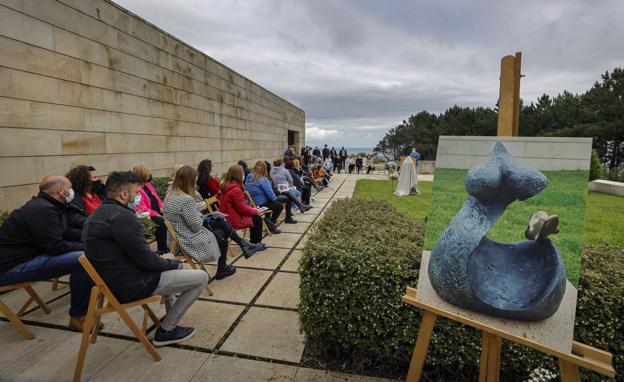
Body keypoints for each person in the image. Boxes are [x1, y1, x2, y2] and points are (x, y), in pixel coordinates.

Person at [83, 171, 207, 346]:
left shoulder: (98, 214)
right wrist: (173, 264)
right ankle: (166, 330)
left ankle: (170, 317)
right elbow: (146, 262)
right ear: (124, 194)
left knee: (168, 257)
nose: (138, 197)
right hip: (132, 284)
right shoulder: (122, 217)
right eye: (136, 193)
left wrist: (166, 260)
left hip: (114, 280)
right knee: (201, 277)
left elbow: (137, 255)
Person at [0, 175, 92, 331]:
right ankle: (78, 316)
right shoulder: (42, 209)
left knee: (85, 252)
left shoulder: (50, 205)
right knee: (82, 259)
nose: (72, 192)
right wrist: (88, 248)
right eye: (69, 188)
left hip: (28, 257)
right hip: (9, 268)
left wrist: (91, 239)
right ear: (60, 191)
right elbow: (55, 246)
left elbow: (64, 232)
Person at [164, 166, 265, 279]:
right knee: (222, 232)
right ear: (189, 182)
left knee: (220, 222)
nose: (196, 185)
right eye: (194, 182)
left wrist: (205, 216)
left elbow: (183, 219)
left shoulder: (170, 196)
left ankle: (240, 249)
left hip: (175, 239)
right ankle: (234, 255)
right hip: (186, 241)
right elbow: (196, 226)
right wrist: (203, 216)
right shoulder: (186, 200)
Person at [219, 165, 268, 245]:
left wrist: (253, 210)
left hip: (228, 216)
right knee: (257, 218)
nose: (243, 174)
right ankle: (256, 243)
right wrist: (255, 211)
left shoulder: (228, 185)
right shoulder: (235, 189)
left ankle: (254, 242)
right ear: (238, 175)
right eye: (242, 173)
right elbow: (242, 209)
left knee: (255, 215)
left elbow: (240, 205)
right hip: (232, 219)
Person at [245, 161, 297, 230]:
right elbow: (271, 195)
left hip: (253, 204)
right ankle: (272, 223)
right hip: (261, 204)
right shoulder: (261, 179)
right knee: (279, 205)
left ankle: (269, 220)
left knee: (275, 202)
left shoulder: (249, 177)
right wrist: (275, 198)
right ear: (264, 169)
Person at [132, 165, 168, 254]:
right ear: (142, 176)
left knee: (171, 216)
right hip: (142, 216)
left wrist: (162, 207)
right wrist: (156, 213)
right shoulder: (136, 188)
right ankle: (162, 249)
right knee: (161, 222)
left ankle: (173, 244)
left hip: (154, 212)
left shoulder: (148, 185)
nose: (149, 176)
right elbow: (141, 208)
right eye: (147, 174)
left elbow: (156, 197)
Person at [66, 165, 103, 233]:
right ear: (84, 181)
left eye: (98, 177)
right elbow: (77, 220)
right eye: (94, 177)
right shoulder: (74, 199)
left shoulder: (99, 193)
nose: (98, 179)